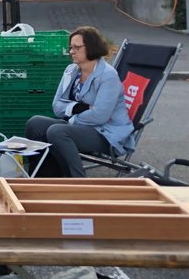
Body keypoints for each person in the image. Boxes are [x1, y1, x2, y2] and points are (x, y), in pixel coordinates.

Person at [24, 26, 133, 178]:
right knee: (34, 123)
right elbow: (57, 106)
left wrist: (73, 117)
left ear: (91, 47)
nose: (71, 52)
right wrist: (80, 107)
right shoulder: (71, 70)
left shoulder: (108, 76)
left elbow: (100, 116)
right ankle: (45, 176)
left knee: (56, 131)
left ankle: (78, 180)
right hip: (80, 127)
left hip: (105, 134)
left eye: (76, 47)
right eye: (70, 47)